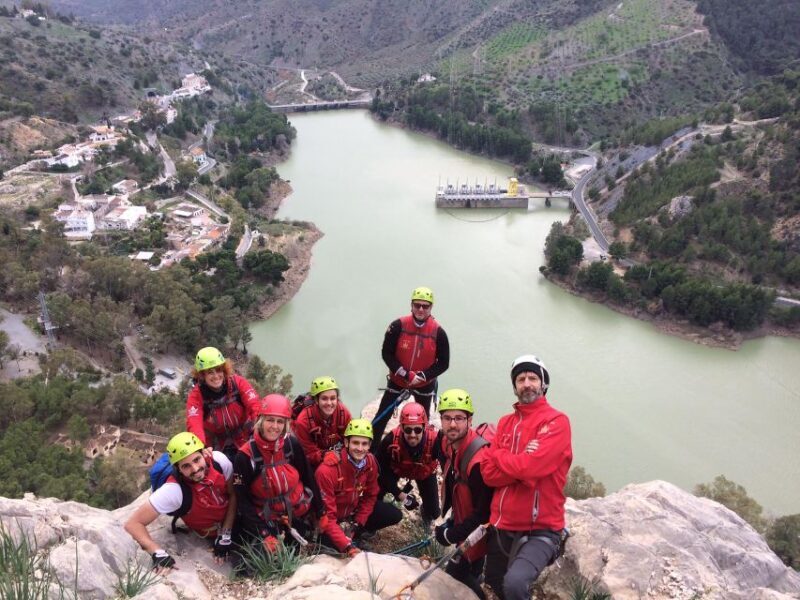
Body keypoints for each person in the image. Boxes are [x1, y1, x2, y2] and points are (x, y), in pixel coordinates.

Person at [482, 355, 572, 600]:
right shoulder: (505, 423)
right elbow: (488, 474)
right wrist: (521, 467)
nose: (527, 383)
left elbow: (530, 469)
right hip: (502, 525)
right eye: (520, 379)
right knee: (494, 583)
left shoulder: (556, 421)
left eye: (533, 378)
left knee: (515, 584)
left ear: (543, 384)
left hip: (540, 528)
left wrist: (501, 455)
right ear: (515, 387)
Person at [124, 432, 237, 572]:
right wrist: (157, 552)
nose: (195, 469)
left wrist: (225, 533)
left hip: (234, 520)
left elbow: (233, 495)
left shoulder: (219, 461)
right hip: (210, 533)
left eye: (197, 460)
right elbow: (133, 524)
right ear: (178, 469)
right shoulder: (174, 490)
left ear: (204, 453)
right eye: (186, 466)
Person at [233, 394, 323, 556]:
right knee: (267, 557)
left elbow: (308, 475)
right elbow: (243, 501)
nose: (275, 426)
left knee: (302, 548)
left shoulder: (290, 444)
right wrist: (264, 534)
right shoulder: (245, 456)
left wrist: (320, 511)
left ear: (286, 424)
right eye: (270, 420)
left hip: (296, 512)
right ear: (260, 421)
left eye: (280, 421)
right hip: (267, 519)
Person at [434, 388, 494, 600]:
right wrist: (451, 518)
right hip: (465, 522)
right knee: (468, 571)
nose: (452, 424)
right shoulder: (448, 444)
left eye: (459, 418)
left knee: (455, 575)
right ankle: (476, 576)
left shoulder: (478, 462)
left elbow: (483, 515)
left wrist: (451, 534)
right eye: (447, 418)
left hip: (481, 532)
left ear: (470, 420)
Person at [372, 286, 450, 447]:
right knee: (381, 417)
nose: (421, 309)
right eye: (417, 305)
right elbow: (387, 353)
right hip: (398, 381)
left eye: (425, 306)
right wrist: (406, 374)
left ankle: (421, 453)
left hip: (424, 384)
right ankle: (372, 451)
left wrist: (422, 376)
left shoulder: (438, 332)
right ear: (411, 305)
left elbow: (443, 363)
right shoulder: (397, 326)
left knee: (422, 421)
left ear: (431, 307)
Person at [315, 418, 402, 555]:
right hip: (332, 519)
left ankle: (358, 533)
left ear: (370, 445)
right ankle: (345, 540)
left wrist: (357, 523)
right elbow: (328, 517)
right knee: (332, 544)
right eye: (355, 443)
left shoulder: (370, 462)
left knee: (393, 514)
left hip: (351, 513)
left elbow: (371, 495)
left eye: (364, 444)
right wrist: (347, 546)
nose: (360, 448)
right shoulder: (326, 471)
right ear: (346, 442)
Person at [186, 346, 260, 462]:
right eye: (210, 372)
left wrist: (259, 423)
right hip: (218, 446)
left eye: (219, 370)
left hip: (245, 436)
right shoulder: (197, 396)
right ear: (202, 375)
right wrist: (201, 446)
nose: (216, 376)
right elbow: (194, 422)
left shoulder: (237, 383)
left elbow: (254, 404)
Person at [375, 402, 441, 527]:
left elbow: (449, 464)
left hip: (424, 472)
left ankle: (426, 512)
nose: (412, 435)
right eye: (408, 429)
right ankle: (373, 519)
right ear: (401, 427)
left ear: (424, 428)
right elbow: (380, 470)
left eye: (417, 430)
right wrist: (400, 495)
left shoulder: (435, 442)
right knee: (375, 490)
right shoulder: (390, 440)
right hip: (397, 469)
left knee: (434, 512)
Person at [293, 375, 353, 469]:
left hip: (337, 451)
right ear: (316, 400)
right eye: (324, 398)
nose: (329, 403)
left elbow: (351, 437)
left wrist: (343, 454)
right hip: (315, 461)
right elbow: (308, 453)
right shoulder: (303, 422)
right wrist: (324, 455)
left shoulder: (343, 412)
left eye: (333, 398)